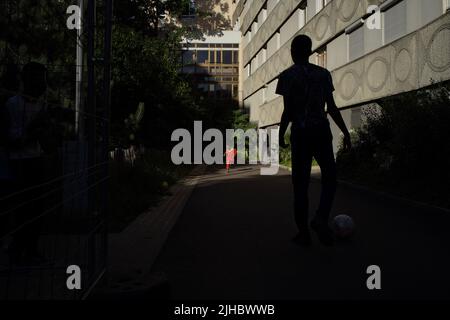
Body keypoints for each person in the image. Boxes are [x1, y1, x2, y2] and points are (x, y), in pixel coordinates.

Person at [276, 35, 351, 246]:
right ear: (309, 51)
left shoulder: (287, 76)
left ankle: (303, 234)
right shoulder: (323, 74)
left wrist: (282, 134)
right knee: (330, 177)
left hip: (300, 133)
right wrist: (345, 131)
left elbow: (288, 111)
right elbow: (332, 107)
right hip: (321, 131)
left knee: (300, 186)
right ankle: (320, 217)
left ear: (293, 52)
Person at [5, 62, 48, 264]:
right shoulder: (12, 105)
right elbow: (10, 139)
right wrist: (31, 132)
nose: (43, 84)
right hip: (18, 162)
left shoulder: (41, 105)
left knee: (37, 208)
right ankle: (16, 248)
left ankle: (31, 249)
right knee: (21, 208)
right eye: (38, 79)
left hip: (36, 159)